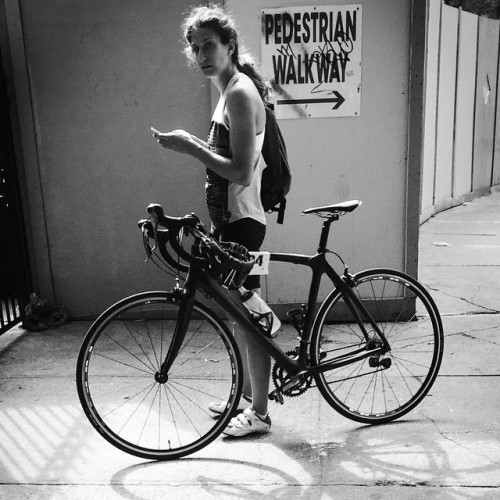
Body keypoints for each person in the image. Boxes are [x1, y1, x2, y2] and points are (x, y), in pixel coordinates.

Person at [152, 4, 273, 437]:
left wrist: (189, 145)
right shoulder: (230, 90)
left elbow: (240, 171)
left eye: (209, 45)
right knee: (241, 313)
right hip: (232, 221)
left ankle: (259, 414)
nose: (202, 54)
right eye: (195, 47)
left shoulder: (239, 93)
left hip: (243, 223)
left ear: (230, 46)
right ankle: (244, 395)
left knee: (250, 318)